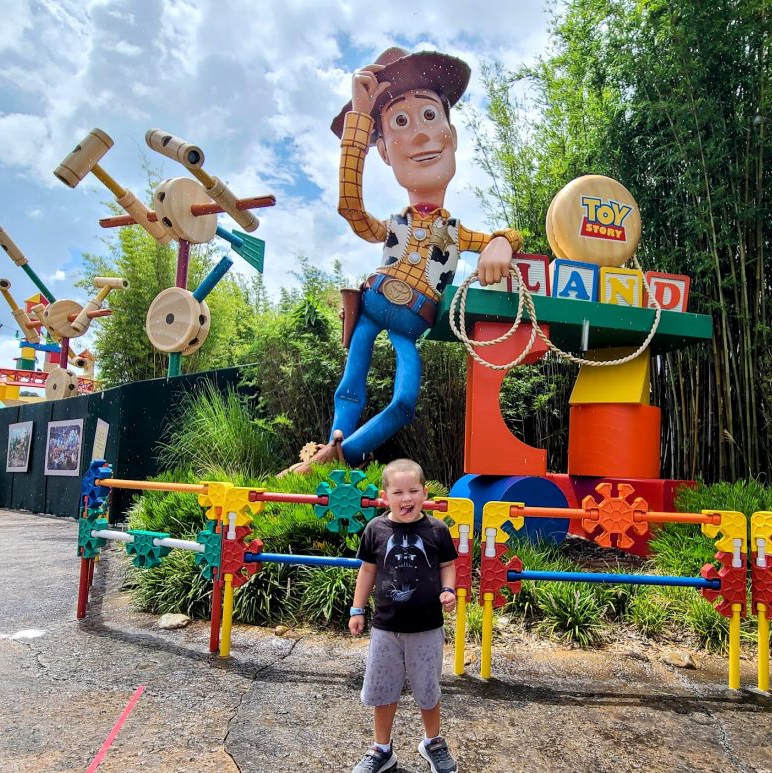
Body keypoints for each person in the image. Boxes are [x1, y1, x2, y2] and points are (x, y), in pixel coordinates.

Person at [283, 47, 521, 475]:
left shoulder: (456, 232)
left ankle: (341, 456)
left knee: (405, 401)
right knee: (351, 381)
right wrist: (359, 115)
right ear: (383, 151)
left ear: (452, 134)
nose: (420, 135)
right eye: (399, 123)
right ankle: (335, 440)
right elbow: (350, 209)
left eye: (431, 117)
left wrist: (502, 242)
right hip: (374, 305)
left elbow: (506, 237)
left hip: (414, 319)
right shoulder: (393, 225)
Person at [349, 458, 459, 773]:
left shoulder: (437, 530)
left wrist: (448, 591)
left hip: (427, 627)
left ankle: (432, 742)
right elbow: (367, 570)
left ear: (424, 494)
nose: (406, 498)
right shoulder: (376, 529)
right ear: (385, 497)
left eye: (413, 491)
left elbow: (447, 566)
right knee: (383, 689)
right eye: (398, 492)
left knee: (427, 689)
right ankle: (382, 749)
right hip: (385, 627)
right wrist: (357, 609)